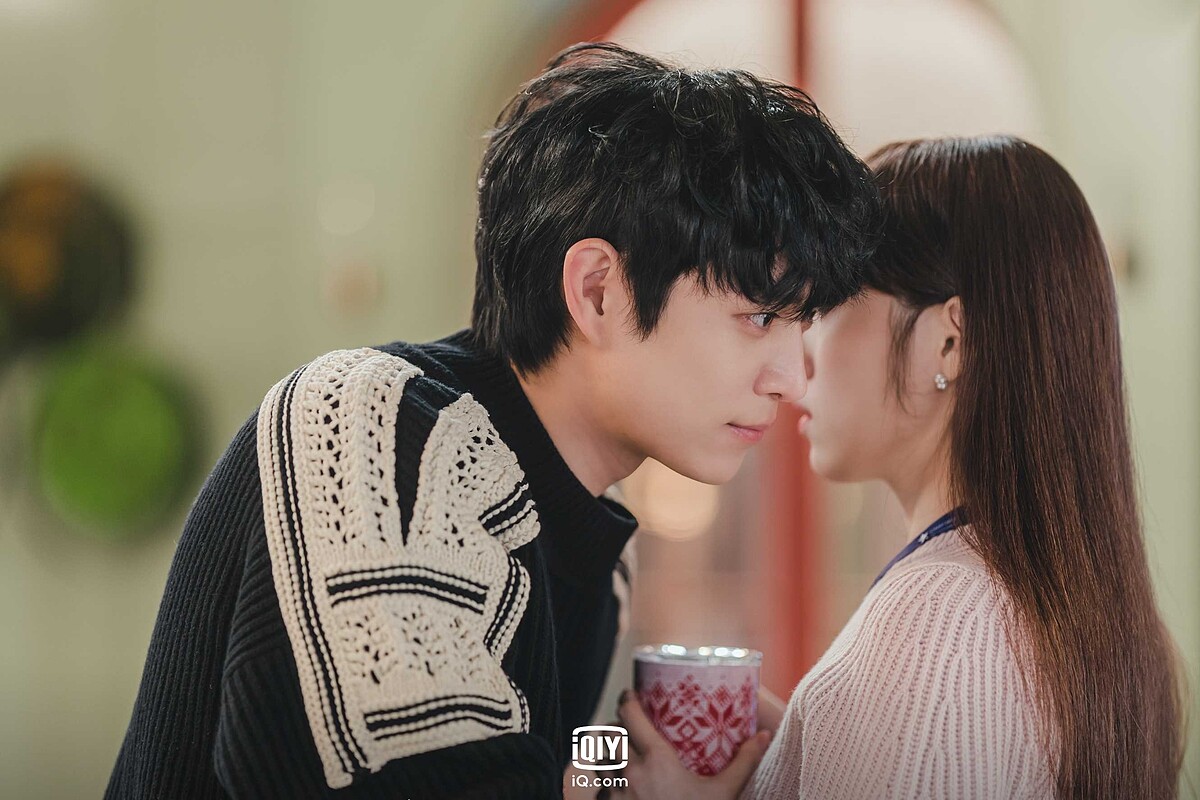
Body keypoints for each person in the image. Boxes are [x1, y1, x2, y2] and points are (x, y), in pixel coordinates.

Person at [105, 42, 880, 799]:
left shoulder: (589, 542)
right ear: (598, 290)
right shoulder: (377, 425)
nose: (791, 378)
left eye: (801, 324)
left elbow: (545, 768)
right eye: (759, 317)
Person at [612, 135, 1185, 800]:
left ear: (948, 341)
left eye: (826, 307)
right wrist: (809, 741)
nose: (797, 360)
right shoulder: (1093, 622)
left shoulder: (937, 618)